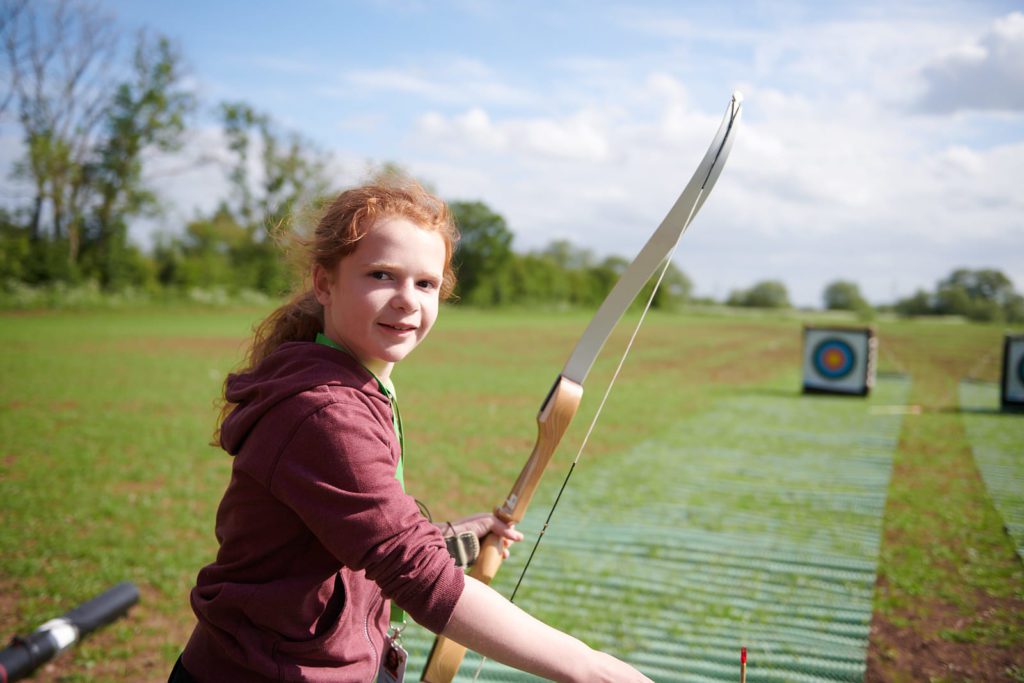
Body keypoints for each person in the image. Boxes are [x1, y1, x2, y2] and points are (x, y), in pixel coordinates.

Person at [170, 179, 652, 683]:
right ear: (324, 283)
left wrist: (448, 541)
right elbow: (411, 569)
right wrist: (590, 668)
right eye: (382, 275)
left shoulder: (354, 382)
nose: (407, 300)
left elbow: (352, 536)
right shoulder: (324, 410)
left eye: (425, 284)